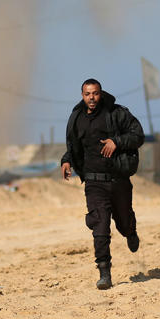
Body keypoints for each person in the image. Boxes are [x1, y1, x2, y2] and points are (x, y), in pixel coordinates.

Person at [61, 78, 144, 290]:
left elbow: (138, 135)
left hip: (118, 180)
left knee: (123, 222)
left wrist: (117, 142)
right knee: (100, 226)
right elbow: (74, 146)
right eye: (88, 94)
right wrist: (66, 160)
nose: (92, 98)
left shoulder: (116, 113)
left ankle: (130, 230)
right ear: (82, 95)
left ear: (101, 93)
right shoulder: (76, 118)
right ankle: (104, 272)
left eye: (96, 93)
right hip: (94, 182)